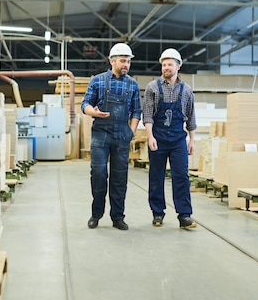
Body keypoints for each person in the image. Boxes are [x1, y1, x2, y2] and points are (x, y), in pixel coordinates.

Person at [81, 43, 142, 230]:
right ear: (112, 61)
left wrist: (131, 131)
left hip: (122, 134)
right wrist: (94, 113)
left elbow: (137, 112)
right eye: (123, 61)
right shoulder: (98, 81)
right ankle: (96, 214)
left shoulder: (133, 84)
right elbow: (85, 104)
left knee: (119, 177)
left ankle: (117, 217)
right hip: (101, 133)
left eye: (128, 61)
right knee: (99, 173)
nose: (126, 65)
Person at [142, 48, 197, 229]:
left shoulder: (187, 90)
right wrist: (150, 137)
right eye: (164, 64)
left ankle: (184, 215)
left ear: (178, 66)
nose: (166, 67)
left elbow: (191, 117)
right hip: (157, 138)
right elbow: (148, 115)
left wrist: (192, 140)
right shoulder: (152, 88)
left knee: (181, 175)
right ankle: (157, 213)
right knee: (156, 176)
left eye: (170, 64)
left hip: (178, 140)